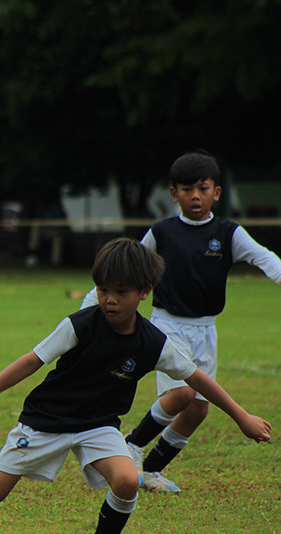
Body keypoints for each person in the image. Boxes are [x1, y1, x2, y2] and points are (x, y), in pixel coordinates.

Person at [0, 238, 271, 534]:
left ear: (144, 292)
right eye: (103, 290)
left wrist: (241, 416)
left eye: (121, 292)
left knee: (128, 480)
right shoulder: (79, 325)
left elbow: (198, 380)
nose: (110, 300)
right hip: (46, 421)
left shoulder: (154, 343)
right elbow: (30, 361)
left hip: (98, 426)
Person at [81, 151, 281, 493]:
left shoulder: (229, 233)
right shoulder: (161, 232)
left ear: (216, 192)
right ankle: (132, 444)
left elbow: (267, 259)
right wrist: (87, 310)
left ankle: (153, 471)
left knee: (198, 410)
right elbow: (123, 271)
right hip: (166, 324)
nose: (195, 196)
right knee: (183, 392)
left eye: (203, 189)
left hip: (206, 328)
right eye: (187, 189)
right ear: (174, 193)